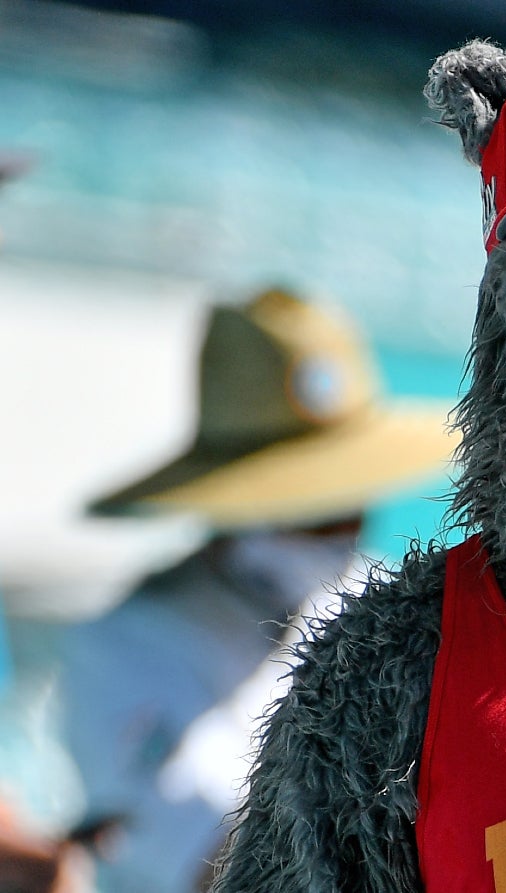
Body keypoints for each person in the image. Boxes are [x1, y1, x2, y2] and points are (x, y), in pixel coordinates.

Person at [54, 288, 455, 893]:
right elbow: (230, 866)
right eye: (315, 506)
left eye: (355, 499)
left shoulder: (376, 597)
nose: (343, 530)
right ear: (241, 504)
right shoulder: (122, 648)